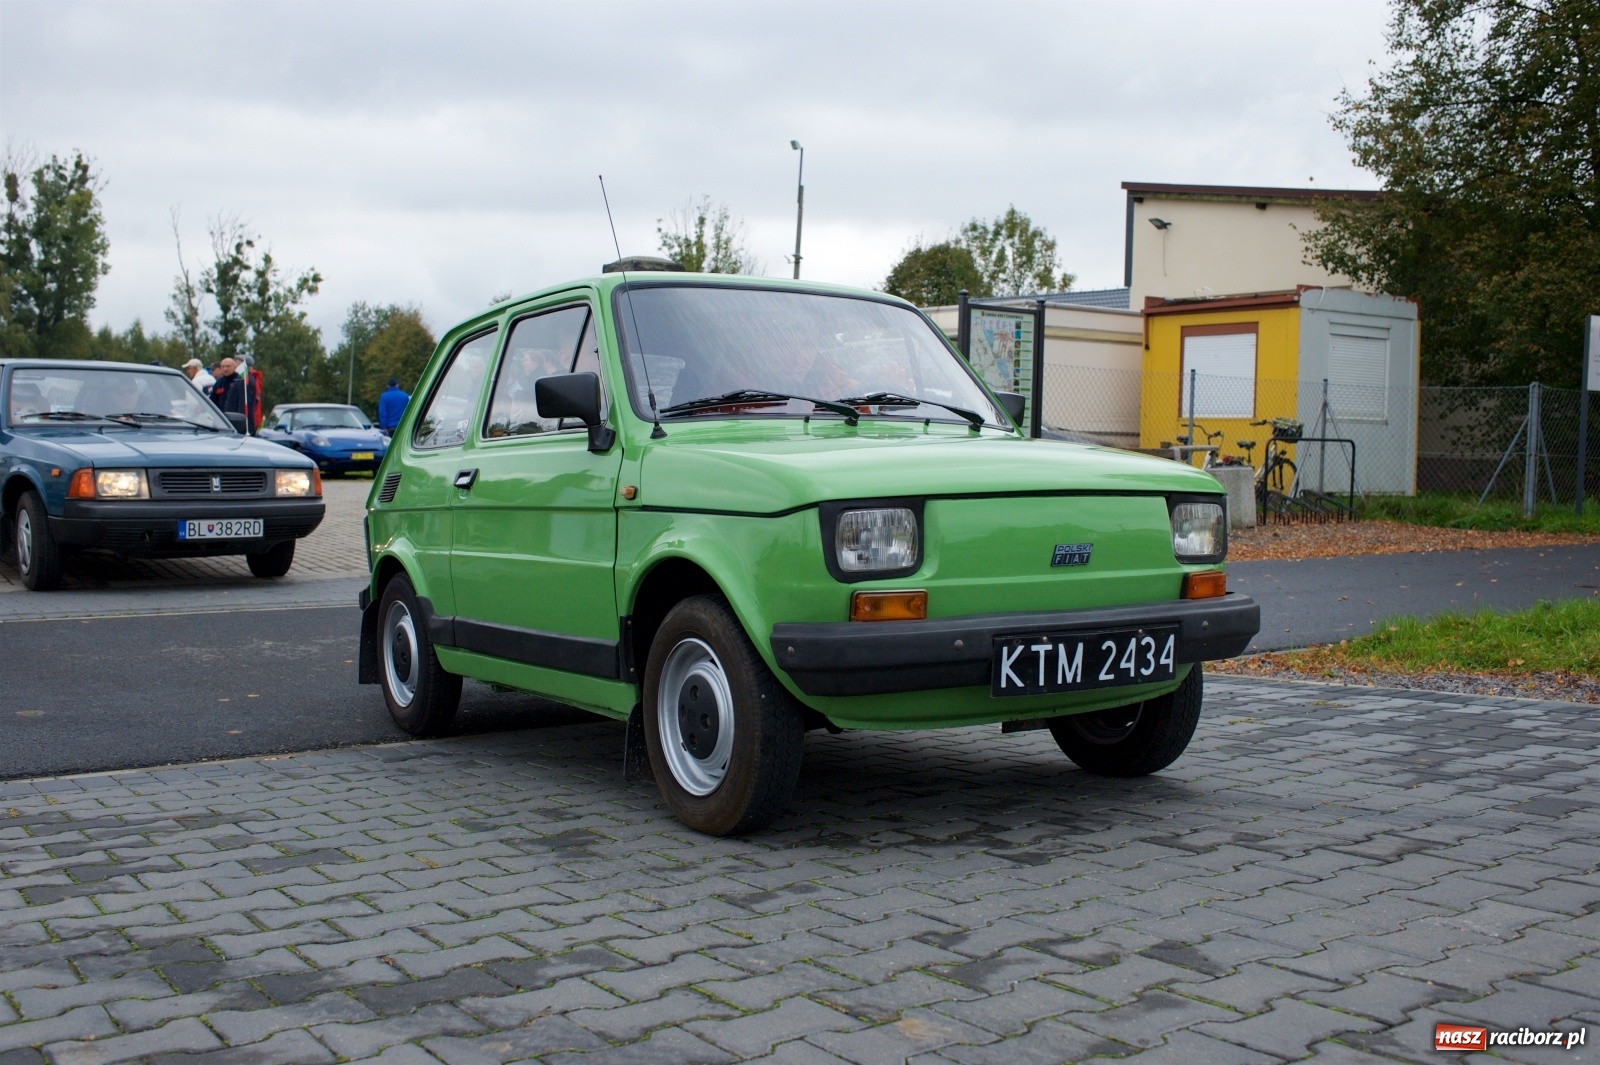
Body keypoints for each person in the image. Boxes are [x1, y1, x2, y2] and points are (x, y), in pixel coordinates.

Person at [208, 357, 256, 431]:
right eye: (223, 367)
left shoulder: (240, 380)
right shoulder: (219, 382)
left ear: (234, 367)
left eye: (228, 366)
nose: (225, 369)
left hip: (237, 421)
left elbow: (244, 403)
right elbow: (212, 402)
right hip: (222, 420)